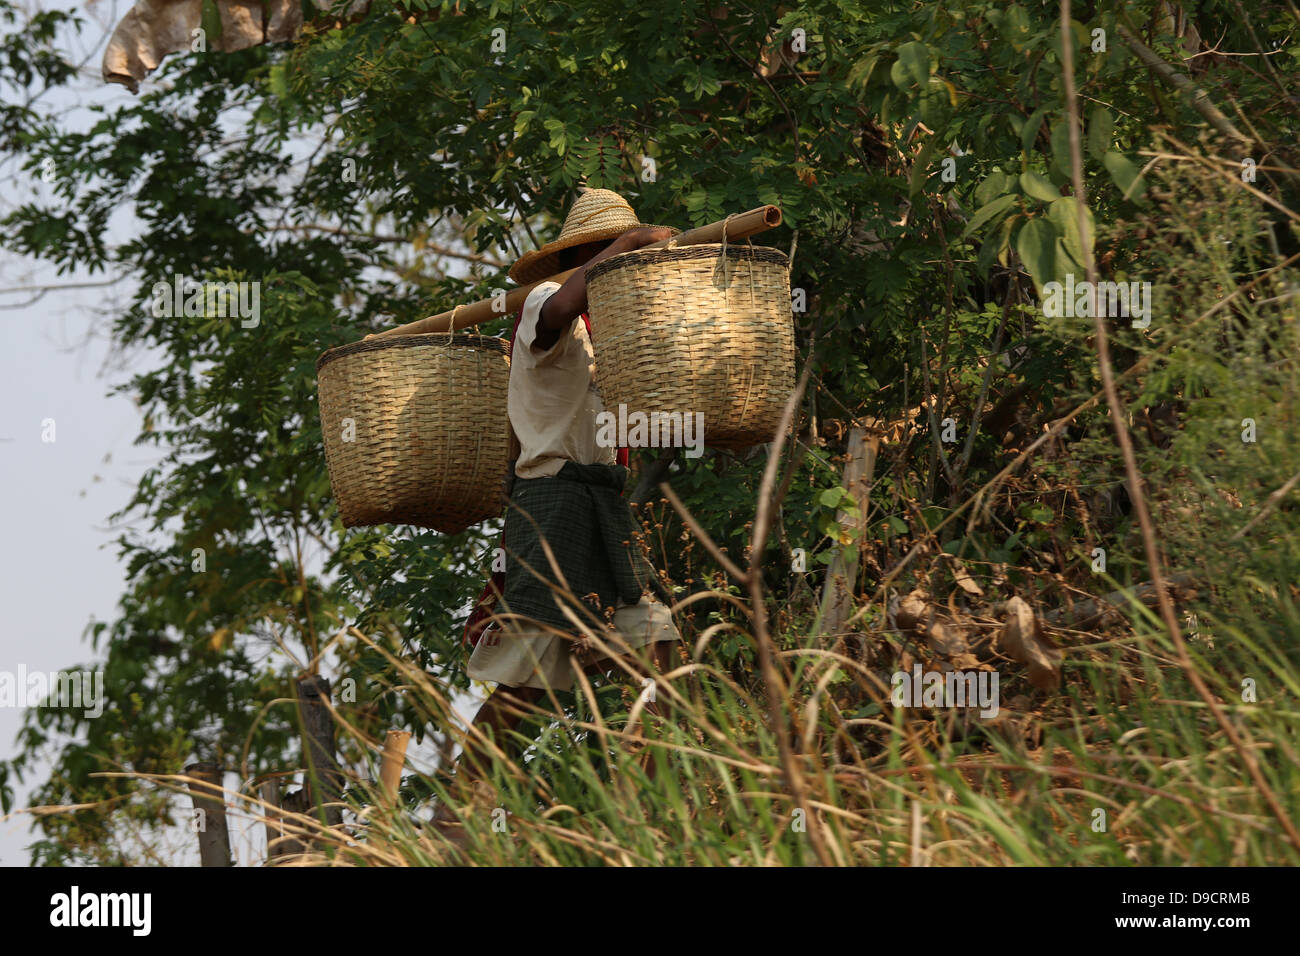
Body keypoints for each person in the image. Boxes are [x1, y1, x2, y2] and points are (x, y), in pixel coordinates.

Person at [439, 188, 684, 823]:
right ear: (587, 256)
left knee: (659, 651)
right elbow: (569, 299)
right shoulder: (549, 306)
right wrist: (631, 248)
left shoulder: (617, 337)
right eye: (611, 253)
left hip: (604, 504)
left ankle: (640, 818)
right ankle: (456, 822)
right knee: (529, 682)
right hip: (551, 503)